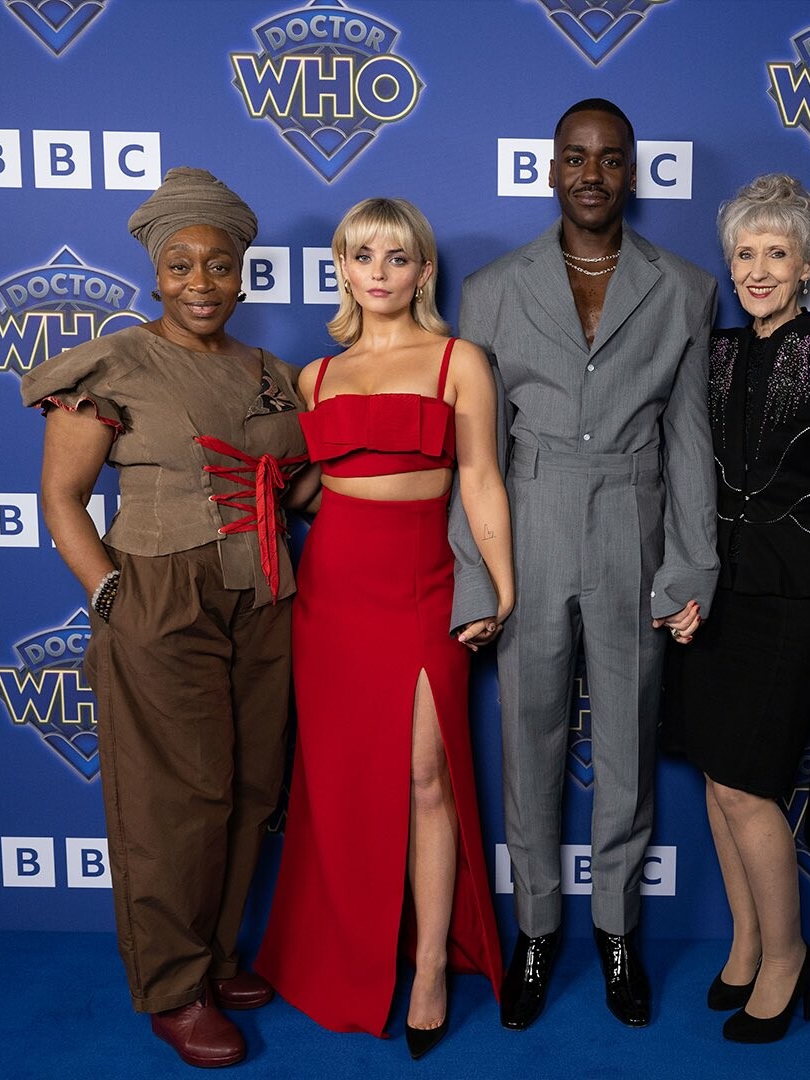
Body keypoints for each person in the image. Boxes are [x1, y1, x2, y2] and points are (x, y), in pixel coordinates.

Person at [21, 167, 305, 1069]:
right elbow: (61, 497)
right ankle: (174, 988)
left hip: (264, 595)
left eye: (218, 264)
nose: (199, 282)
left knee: (251, 788)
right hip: (160, 594)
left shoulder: (271, 374)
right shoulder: (114, 362)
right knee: (174, 800)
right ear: (155, 273)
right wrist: (109, 593)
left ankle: (216, 958)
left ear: (241, 275)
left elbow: (299, 487)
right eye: (181, 264)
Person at [451, 97, 719, 1030]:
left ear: (631, 173)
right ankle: (535, 931)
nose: (592, 174)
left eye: (609, 158)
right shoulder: (491, 290)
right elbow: (474, 455)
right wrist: (477, 578)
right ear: (552, 169)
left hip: (633, 528)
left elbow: (690, 442)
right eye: (576, 156)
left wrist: (690, 567)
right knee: (527, 738)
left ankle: (616, 931)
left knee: (628, 746)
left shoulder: (685, 287)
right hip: (526, 526)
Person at [255, 198, 512, 1061]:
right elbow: (311, 487)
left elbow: (481, 481)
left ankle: (430, 965)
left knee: (427, 777)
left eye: (397, 257)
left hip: (422, 583)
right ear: (342, 269)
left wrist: (501, 587)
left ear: (423, 272)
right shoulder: (315, 377)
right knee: (341, 781)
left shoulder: (457, 360)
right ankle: (347, 955)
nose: (379, 272)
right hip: (333, 590)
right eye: (362, 256)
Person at [662, 174, 810, 1043]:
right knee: (716, 778)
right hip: (715, 592)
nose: (758, 270)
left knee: (749, 783)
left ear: (806, 267)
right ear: (729, 265)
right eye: (745, 253)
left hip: (797, 592)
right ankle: (748, 939)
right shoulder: (713, 351)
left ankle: (790, 957)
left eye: (777, 253)